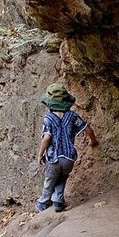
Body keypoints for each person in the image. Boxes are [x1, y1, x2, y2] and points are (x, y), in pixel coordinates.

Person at [36, 82, 98, 213]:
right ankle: (58, 201)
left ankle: (43, 202)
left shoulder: (48, 118)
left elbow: (46, 138)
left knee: (50, 179)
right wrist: (93, 142)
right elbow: (88, 130)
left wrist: (40, 154)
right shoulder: (72, 116)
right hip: (69, 157)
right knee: (62, 178)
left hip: (53, 157)